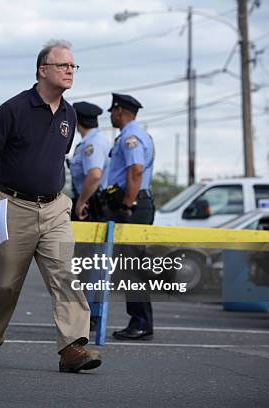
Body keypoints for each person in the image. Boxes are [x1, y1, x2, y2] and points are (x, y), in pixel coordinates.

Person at [0, 40, 102, 373]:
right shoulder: (14, 108)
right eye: (63, 65)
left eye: (73, 66)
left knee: (65, 274)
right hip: (13, 205)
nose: (70, 70)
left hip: (55, 207)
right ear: (43, 70)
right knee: (5, 280)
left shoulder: (69, 113)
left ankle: (73, 347)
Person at [105, 93, 156, 341]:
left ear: (120, 111)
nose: (111, 115)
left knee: (131, 267)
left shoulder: (130, 137)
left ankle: (141, 321)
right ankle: (140, 320)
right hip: (136, 203)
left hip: (133, 205)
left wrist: (127, 204)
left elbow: (135, 171)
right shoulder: (135, 134)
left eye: (112, 111)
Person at [69, 101, 110, 221]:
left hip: (90, 204)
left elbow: (94, 175)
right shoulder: (95, 140)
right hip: (89, 201)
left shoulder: (93, 143)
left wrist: (81, 201)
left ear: (77, 120)